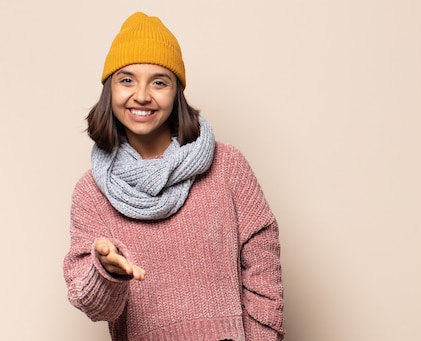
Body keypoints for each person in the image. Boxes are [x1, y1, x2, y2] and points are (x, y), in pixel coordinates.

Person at [63, 12, 284, 341]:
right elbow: (94, 305)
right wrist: (106, 272)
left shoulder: (227, 166)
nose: (142, 95)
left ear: (176, 92)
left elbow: (263, 267)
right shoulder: (92, 191)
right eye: (126, 80)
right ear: (109, 91)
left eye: (159, 82)